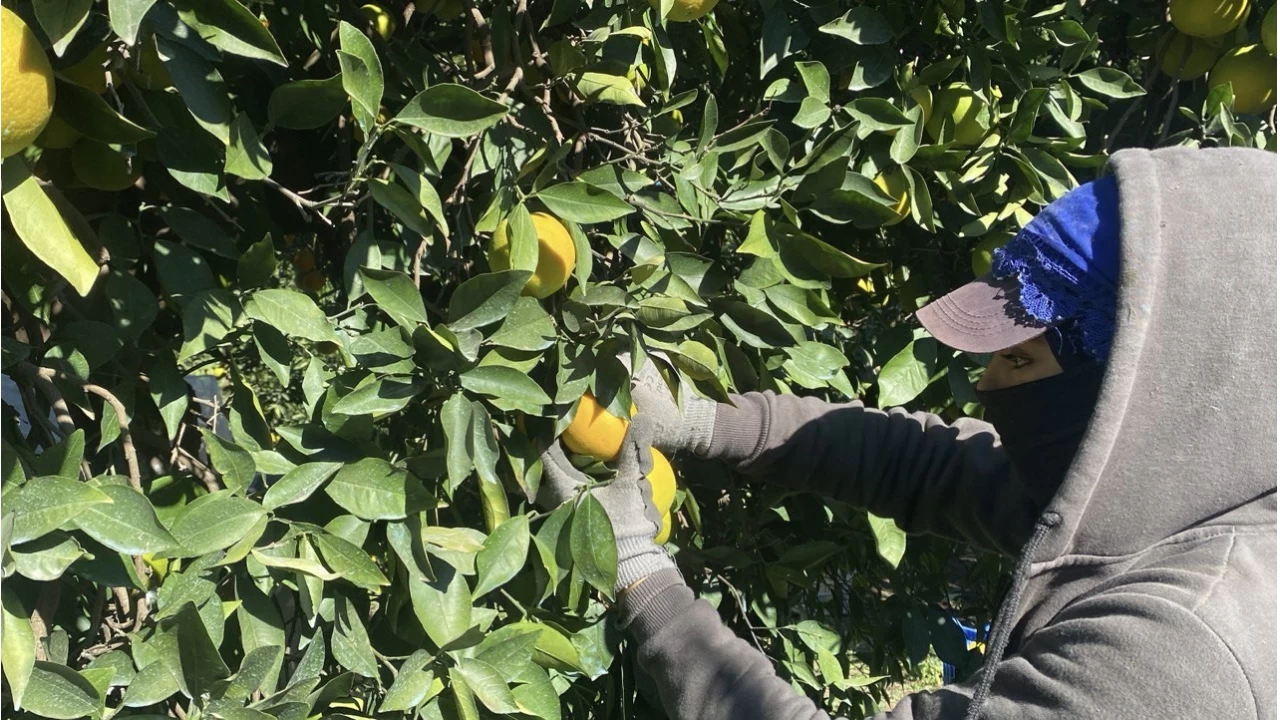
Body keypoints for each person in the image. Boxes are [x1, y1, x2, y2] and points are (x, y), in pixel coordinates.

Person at [537, 146, 1277, 719]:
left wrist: (639, 573)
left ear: (1137, 392)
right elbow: (928, 465)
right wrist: (702, 417)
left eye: (1019, 358)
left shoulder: (1179, 659)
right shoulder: (1174, 494)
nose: (984, 387)